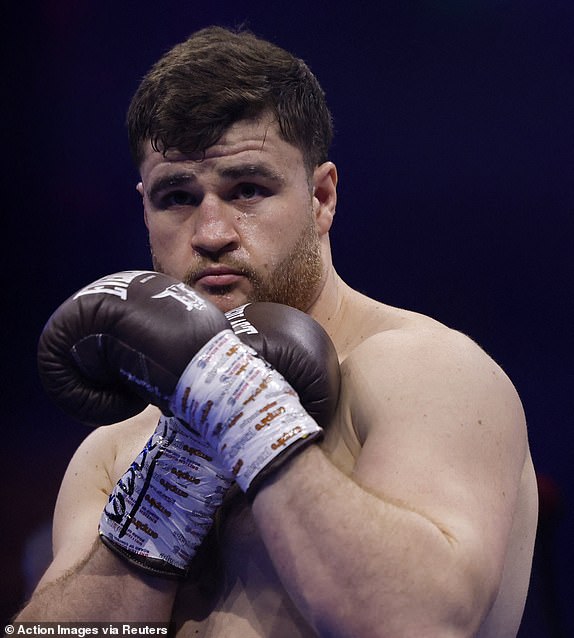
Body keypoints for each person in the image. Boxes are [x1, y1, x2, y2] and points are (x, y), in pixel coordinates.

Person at [15, 25, 538, 637]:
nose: (212, 233)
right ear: (145, 211)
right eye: (177, 197)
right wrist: (167, 490)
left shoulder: (426, 374)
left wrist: (242, 408)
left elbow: (415, 622)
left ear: (321, 197)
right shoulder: (117, 452)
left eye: (247, 189)